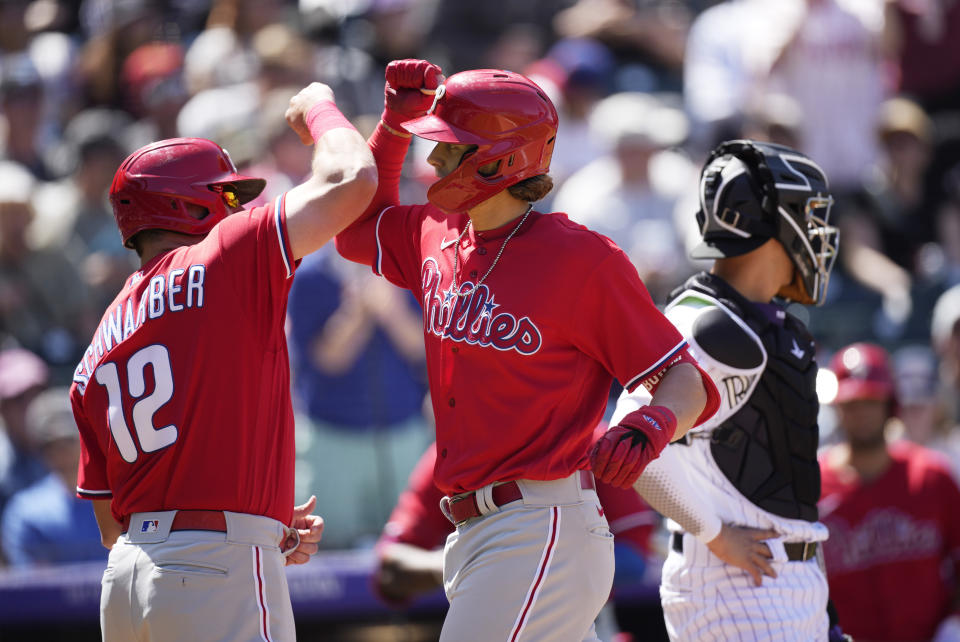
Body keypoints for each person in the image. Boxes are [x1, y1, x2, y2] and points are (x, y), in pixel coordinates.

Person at [335, 59, 719, 641]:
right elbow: (356, 228)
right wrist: (393, 123)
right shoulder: (437, 232)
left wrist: (652, 426)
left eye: (450, 147)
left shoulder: (582, 260)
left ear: (503, 158)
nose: (433, 159)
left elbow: (684, 379)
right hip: (476, 533)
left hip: (541, 526)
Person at [69, 82, 376, 641]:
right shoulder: (226, 253)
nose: (238, 206)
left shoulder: (100, 340)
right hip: (214, 573)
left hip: (127, 581)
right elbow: (353, 180)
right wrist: (318, 107)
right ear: (187, 204)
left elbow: (112, 523)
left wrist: (259, 524)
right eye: (225, 195)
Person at [611, 139, 842, 640]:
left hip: (780, 583)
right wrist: (714, 535)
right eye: (807, 215)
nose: (818, 231)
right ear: (768, 226)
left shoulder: (752, 322)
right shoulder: (713, 326)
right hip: (742, 588)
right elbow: (630, 445)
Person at [372, 441, 659, 607]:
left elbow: (634, 558)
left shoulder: (588, 441)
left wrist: (511, 561)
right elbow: (388, 567)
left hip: (578, 617)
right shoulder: (451, 454)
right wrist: (465, 561)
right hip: (483, 617)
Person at [819, 342, 960, 642]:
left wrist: (954, 624)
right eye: (852, 403)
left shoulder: (932, 476)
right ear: (837, 408)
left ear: (890, 404)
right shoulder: (811, 485)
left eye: (871, 401)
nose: (862, 414)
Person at [1, 387, 105, 567]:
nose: (62, 454)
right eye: (50, 446)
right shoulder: (24, 514)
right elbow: (32, 584)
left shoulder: (118, 501)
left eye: (68, 441)